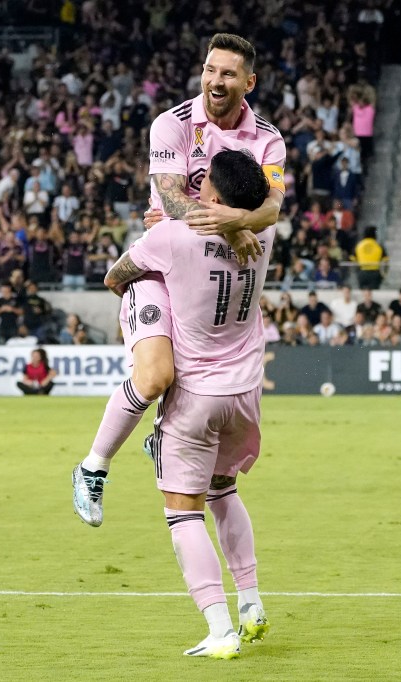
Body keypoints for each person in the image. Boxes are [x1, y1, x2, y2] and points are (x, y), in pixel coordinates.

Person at [83, 151, 273, 659]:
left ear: (212, 196)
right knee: (224, 491)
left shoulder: (172, 239)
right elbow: (255, 214)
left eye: (201, 183)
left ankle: (218, 629)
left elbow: (115, 275)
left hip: (196, 397)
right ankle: (251, 603)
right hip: (246, 393)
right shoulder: (265, 237)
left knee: (183, 514)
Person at [79, 33, 287, 489]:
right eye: (210, 69)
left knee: (206, 385)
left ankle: (164, 438)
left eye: (227, 73)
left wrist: (235, 224)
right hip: (163, 262)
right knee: (155, 378)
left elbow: (273, 209)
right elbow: (171, 200)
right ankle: (93, 467)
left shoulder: (269, 139)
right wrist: (234, 225)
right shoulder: (172, 123)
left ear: (248, 82)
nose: (215, 79)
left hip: (217, 271)